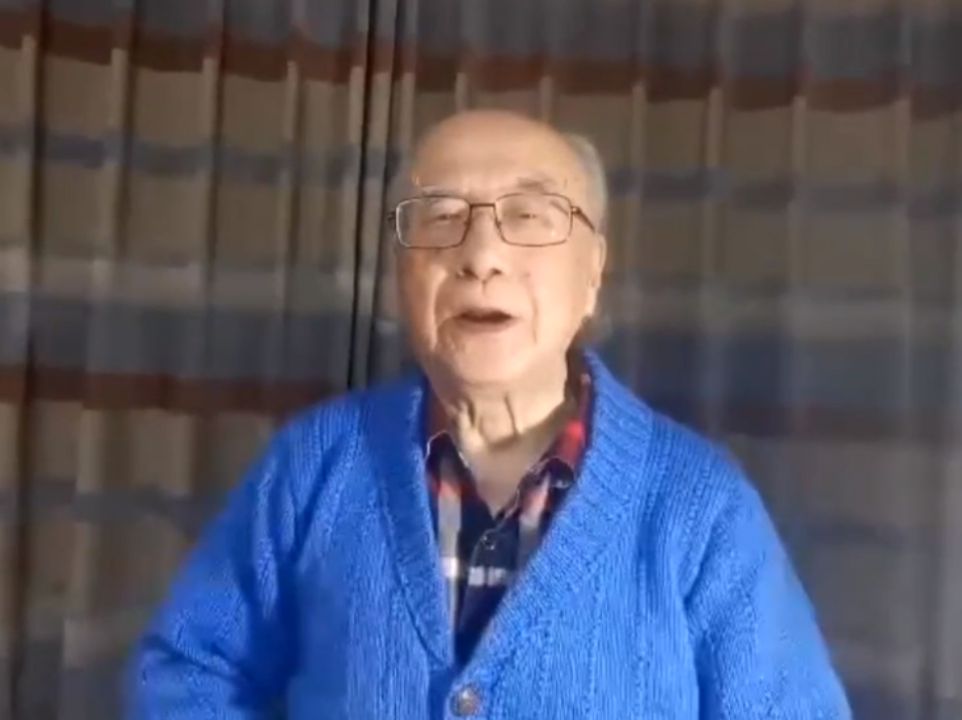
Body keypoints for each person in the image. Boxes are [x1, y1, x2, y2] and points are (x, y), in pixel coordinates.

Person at [127, 110, 851, 718]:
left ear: (593, 272)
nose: (481, 256)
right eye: (442, 216)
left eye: (529, 216)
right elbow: (189, 671)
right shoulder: (314, 466)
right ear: (400, 275)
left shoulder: (700, 507)